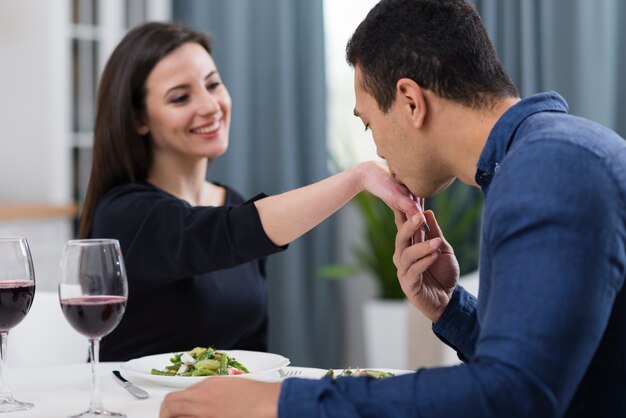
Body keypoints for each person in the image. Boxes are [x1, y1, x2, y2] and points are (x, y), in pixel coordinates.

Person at [159, 0, 626, 417]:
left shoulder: (551, 167)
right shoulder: (540, 158)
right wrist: (450, 311)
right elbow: (554, 373)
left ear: (409, 101)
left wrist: (277, 403)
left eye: (368, 125)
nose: (379, 150)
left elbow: (514, 396)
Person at [80, 21, 421, 361]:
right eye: (181, 97)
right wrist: (356, 178)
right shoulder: (124, 213)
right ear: (139, 119)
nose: (210, 106)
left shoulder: (232, 204)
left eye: (213, 85)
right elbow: (223, 233)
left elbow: (254, 351)